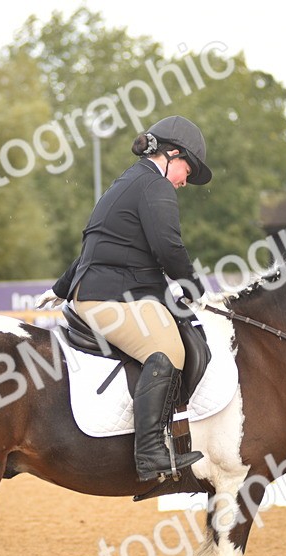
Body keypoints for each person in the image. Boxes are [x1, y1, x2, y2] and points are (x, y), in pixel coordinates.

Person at [40, 115, 211, 482]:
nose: (184, 182)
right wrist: (196, 288)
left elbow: (98, 242)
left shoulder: (125, 182)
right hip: (112, 297)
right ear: (172, 154)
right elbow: (169, 247)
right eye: (187, 170)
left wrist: (61, 287)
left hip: (100, 291)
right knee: (168, 351)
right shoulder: (155, 186)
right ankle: (150, 453)